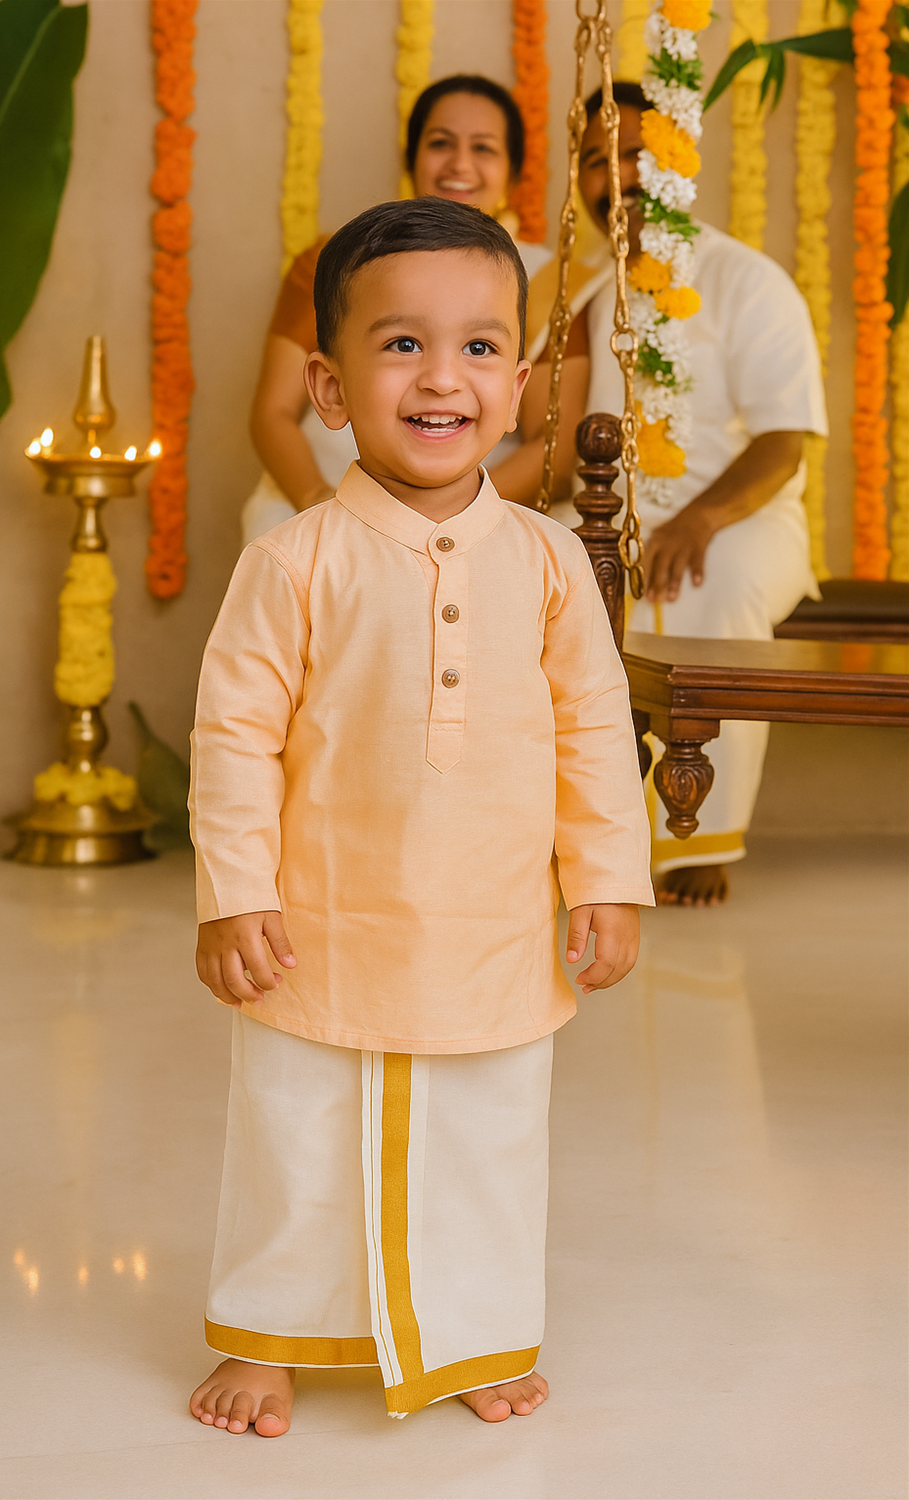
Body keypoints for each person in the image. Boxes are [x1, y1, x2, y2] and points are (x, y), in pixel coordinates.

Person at [188, 197, 653, 1434]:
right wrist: (234, 892)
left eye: (480, 347)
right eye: (400, 346)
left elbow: (592, 731)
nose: (442, 377)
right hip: (319, 920)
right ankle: (270, 1334)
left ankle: (471, 1335)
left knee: (489, 1137)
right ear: (329, 388)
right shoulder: (295, 562)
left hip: (492, 923)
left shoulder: (549, 565)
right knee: (295, 1125)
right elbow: (231, 740)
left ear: (521, 386)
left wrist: (609, 877)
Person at [551, 83, 827, 907]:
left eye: (634, 152)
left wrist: (701, 517)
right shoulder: (594, 298)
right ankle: (574, 838)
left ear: (675, 161)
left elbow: (786, 439)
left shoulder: (749, 280)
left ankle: (696, 838)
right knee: (542, 572)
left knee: (718, 572)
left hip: (746, 520)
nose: (616, 176)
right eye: (596, 161)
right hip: (614, 519)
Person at [243, 74, 607, 544]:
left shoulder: (547, 281)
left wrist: (443, 518)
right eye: (440, 143)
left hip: (475, 519)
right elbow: (272, 413)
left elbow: (555, 450)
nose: (460, 163)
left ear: (514, 175)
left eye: (484, 149)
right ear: (412, 158)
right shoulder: (335, 263)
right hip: (321, 501)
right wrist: (325, 506)